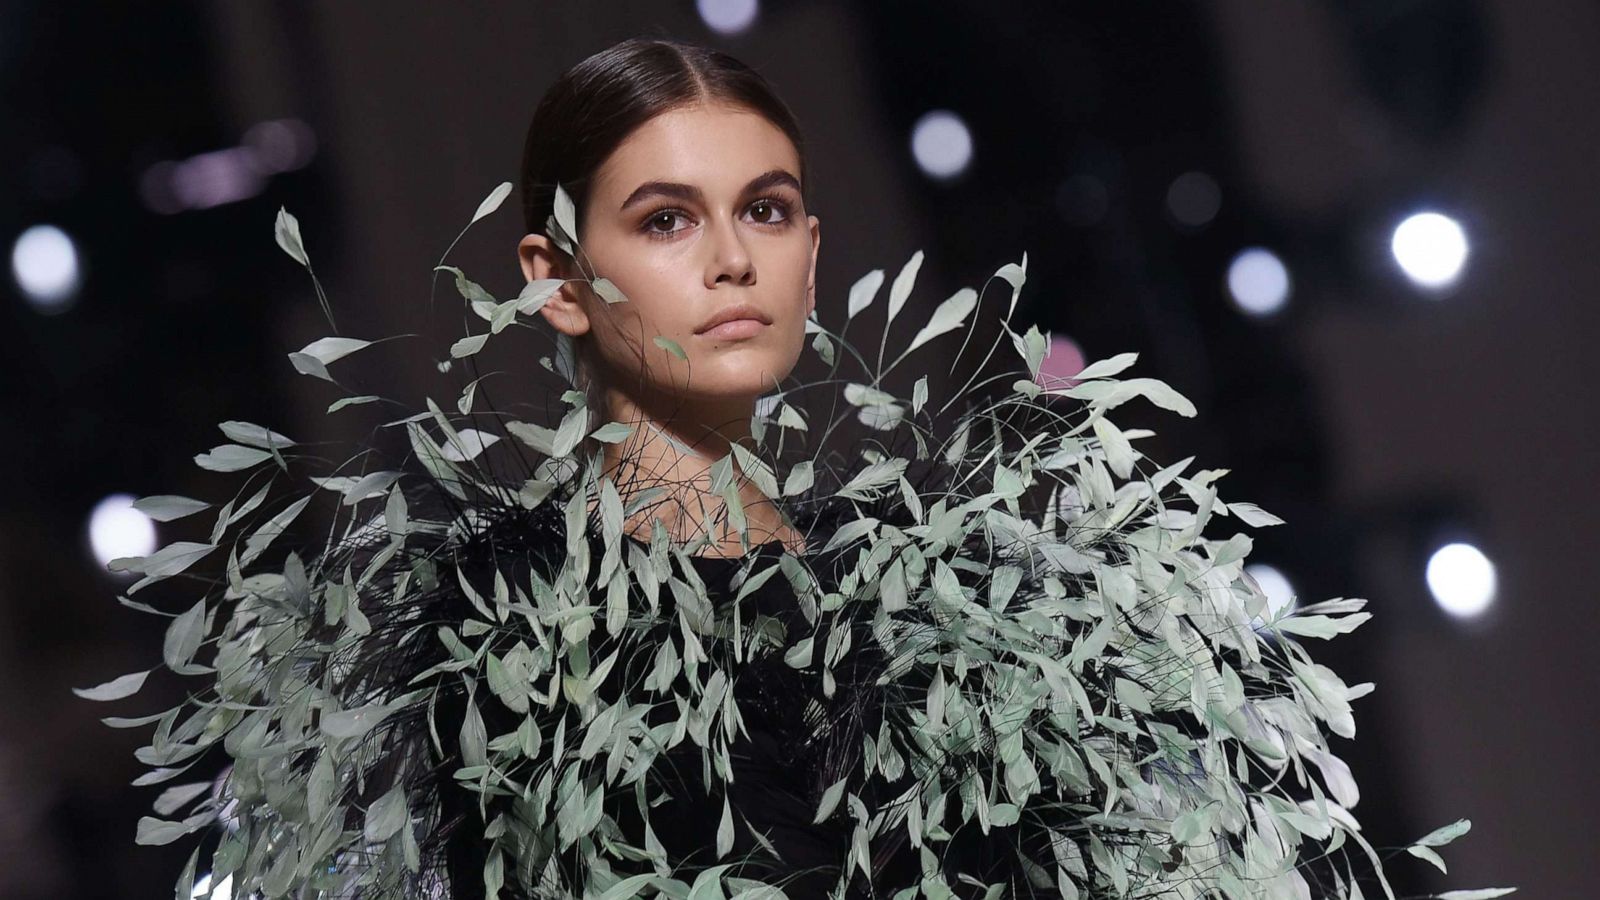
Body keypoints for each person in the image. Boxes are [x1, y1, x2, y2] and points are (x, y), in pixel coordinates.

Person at [79, 36, 1510, 900]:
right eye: (663, 217)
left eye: (764, 210)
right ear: (557, 276)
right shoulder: (461, 637)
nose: (725, 262)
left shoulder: (959, 612)